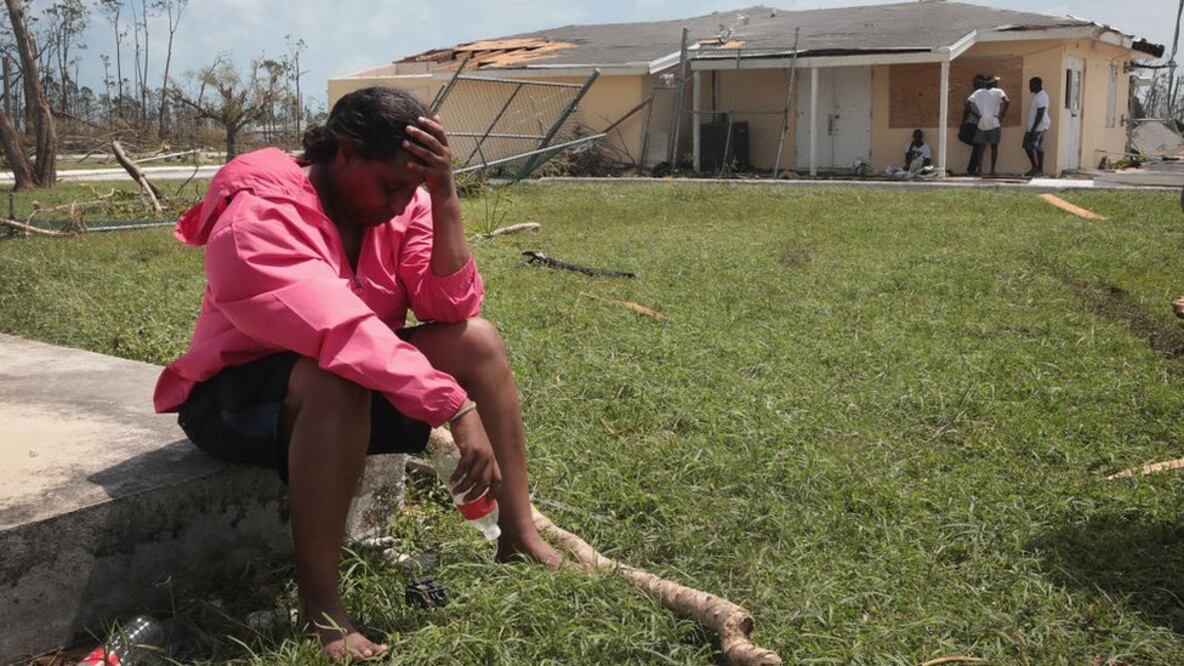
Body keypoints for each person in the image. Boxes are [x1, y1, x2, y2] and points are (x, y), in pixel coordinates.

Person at [153, 86, 562, 661]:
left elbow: (450, 307)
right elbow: (338, 331)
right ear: (343, 152)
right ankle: (322, 609)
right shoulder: (258, 214)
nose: (400, 203)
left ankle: (518, 534)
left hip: (355, 382)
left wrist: (443, 195)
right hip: (237, 402)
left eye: (413, 187)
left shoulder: (407, 203)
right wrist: (453, 406)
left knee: (478, 342)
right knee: (335, 374)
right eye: (391, 186)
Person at [967, 75, 1010, 177]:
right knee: (994, 147)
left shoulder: (978, 92)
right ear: (994, 83)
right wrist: (1003, 115)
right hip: (994, 121)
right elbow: (1007, 101)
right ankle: (992, 171)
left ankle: (980, 170)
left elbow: (966, 103)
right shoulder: (999, 91)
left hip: (982, 122)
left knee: (981, 148)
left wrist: (976, 115)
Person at [1023, 76, 1051, 177]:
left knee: (1037, 146)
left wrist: (1034, 129)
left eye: (1031, 85)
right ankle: (1034, 167)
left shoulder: (1042, 96)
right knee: (1027, 146)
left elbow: (1040, 113)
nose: (1029, 87)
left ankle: (1040, 169)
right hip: (1032, 126)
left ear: (1037, 85)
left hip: (1040, 126)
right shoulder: (1037, 96)